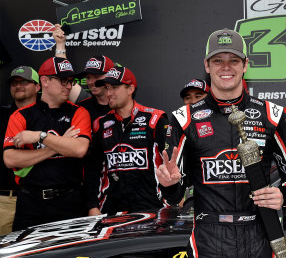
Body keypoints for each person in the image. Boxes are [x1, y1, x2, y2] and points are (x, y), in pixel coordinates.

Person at [157, 29, 286, 258]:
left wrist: (282, 194)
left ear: (245, 65)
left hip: (260, 232)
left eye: (233, 60)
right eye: (218, 61)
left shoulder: (271, 115)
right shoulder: (183, 119)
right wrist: (169, 186)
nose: (226, 67)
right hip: (209, 234)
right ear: (207, 66)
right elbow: (172, 197)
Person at [3, 57, 91, 231]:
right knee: (25, 256)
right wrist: (57, 146)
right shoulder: (21, 116)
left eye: (71, 81)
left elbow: (79, 149)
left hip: (69, 201)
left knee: (73, 257)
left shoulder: (79, 112)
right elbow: (10, 159)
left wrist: (40, 136)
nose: (69, 86)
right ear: (45, 81)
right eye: (63, 80)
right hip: (30, 202)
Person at [86, 65, 170, 216]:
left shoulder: (155, 120)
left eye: (114, 88)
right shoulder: (100, 125)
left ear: (130, 89)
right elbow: (93, 171)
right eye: (106, 88)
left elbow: (173, 163)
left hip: (153, 209)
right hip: (112, 211)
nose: (109, 93)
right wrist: (92, 206)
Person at [0, 66, 40, 234]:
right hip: (5, 200)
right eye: (14, 83)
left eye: (25, 82)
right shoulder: (1, 115)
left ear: (38, 87)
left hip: (40, 199)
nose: (18, 86)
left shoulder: (49, 115)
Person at [53, 24, 114, 122]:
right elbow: (63, 72)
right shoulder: (84, 105)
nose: (91, 82)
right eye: (88, 77)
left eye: (96, 76)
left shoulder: (122, 104)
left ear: (111, 75)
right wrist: (60, 45)